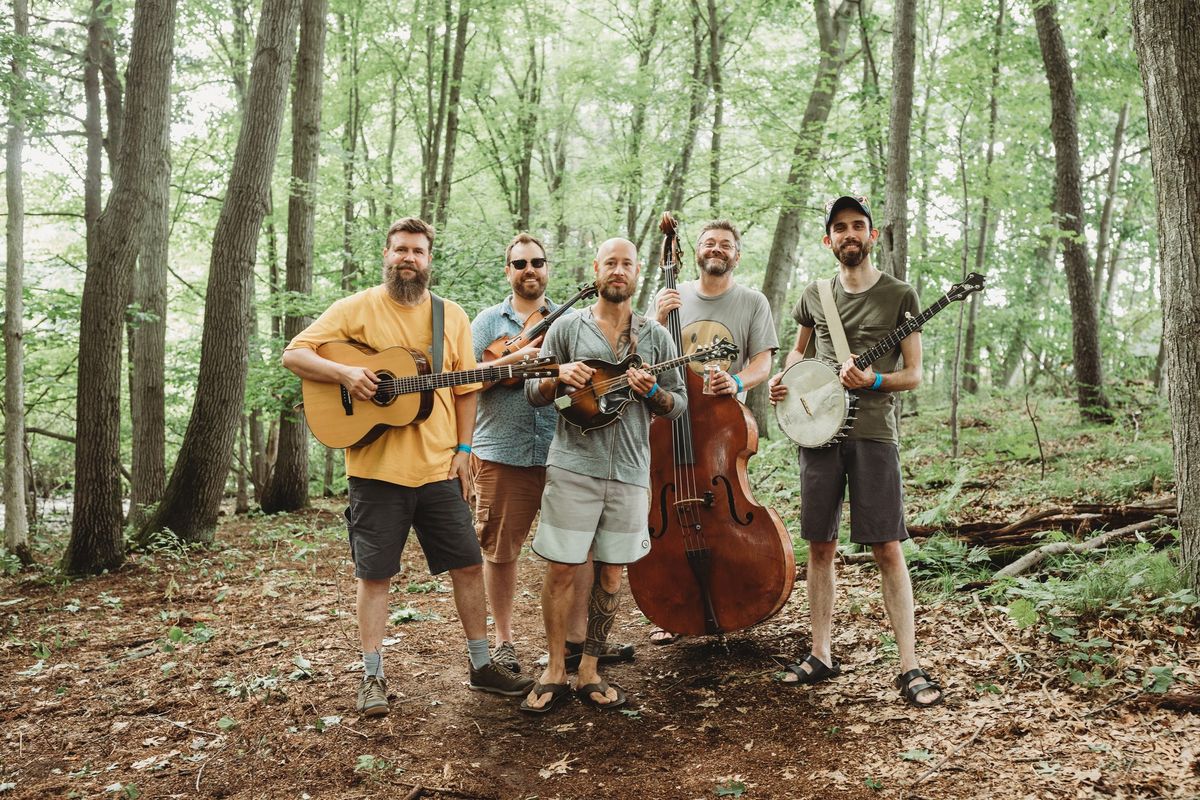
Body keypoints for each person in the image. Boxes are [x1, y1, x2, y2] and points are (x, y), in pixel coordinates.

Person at [282, 217, 534, 718]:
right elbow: (295, 353)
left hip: (440, 469)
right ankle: (372, 676)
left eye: (417, 252)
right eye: (400, 250)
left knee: (467, 565)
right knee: (375, 576)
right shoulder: (355, 309)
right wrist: (347, 372)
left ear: (428, 259)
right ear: (386, 254)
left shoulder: (451, 317)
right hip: (375, 471)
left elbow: (465, 389)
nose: (408, 259)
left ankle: (482, 665)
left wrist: (464, 454)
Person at [767, 195, 943, 707]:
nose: (849, 234)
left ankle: (909, 665)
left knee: (887, 546)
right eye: (839, 227)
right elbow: (798, 352)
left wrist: (876, 378)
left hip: (873, 435)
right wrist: (783, 380)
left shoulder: (900, 295)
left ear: (873, 236)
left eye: (858, 226)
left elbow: (913, 374)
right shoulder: (814, 294)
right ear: (828, 240)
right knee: (820, 546)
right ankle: (821, 651)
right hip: (816, 433)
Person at [519, 237, 688, 713]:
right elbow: (534, 392)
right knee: (562, 568)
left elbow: (679, 405)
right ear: (596, 269)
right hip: (573, 465)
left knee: (612, 574)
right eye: (610, 262)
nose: (618, 270)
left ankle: (590, 669)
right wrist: (558, 378)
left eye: (627, 264)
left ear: (637, 274)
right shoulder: (568, 328)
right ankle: (555, 668)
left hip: (632, 470)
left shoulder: (655, 337)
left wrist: (654, 393)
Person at [646, 219, 780, 645]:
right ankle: (675, 608)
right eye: (709, 243)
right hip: (671, 416)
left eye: (725, 244)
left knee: (726, 505)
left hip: (721, 424)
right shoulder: (673, 296)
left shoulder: (752, 301)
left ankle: (735, 593)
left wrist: (738, 382)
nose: (716, 249)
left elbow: (764, 361)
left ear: (736, 255)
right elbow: (643, 355)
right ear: (697, 251)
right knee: (667, 489)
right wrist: (654, 317)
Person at [467, 232, 560, 674]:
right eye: (520, 263)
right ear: (508, 271)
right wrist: (518, 357)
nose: (529, 270)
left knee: (575, 550)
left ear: (547, 269)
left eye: (537, 262)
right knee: (500, 552)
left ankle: (572, 639)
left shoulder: (569, 319)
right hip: (501, 453)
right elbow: (465, 380)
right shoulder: (487, 322)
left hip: (565, 452)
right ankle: (504, 639)